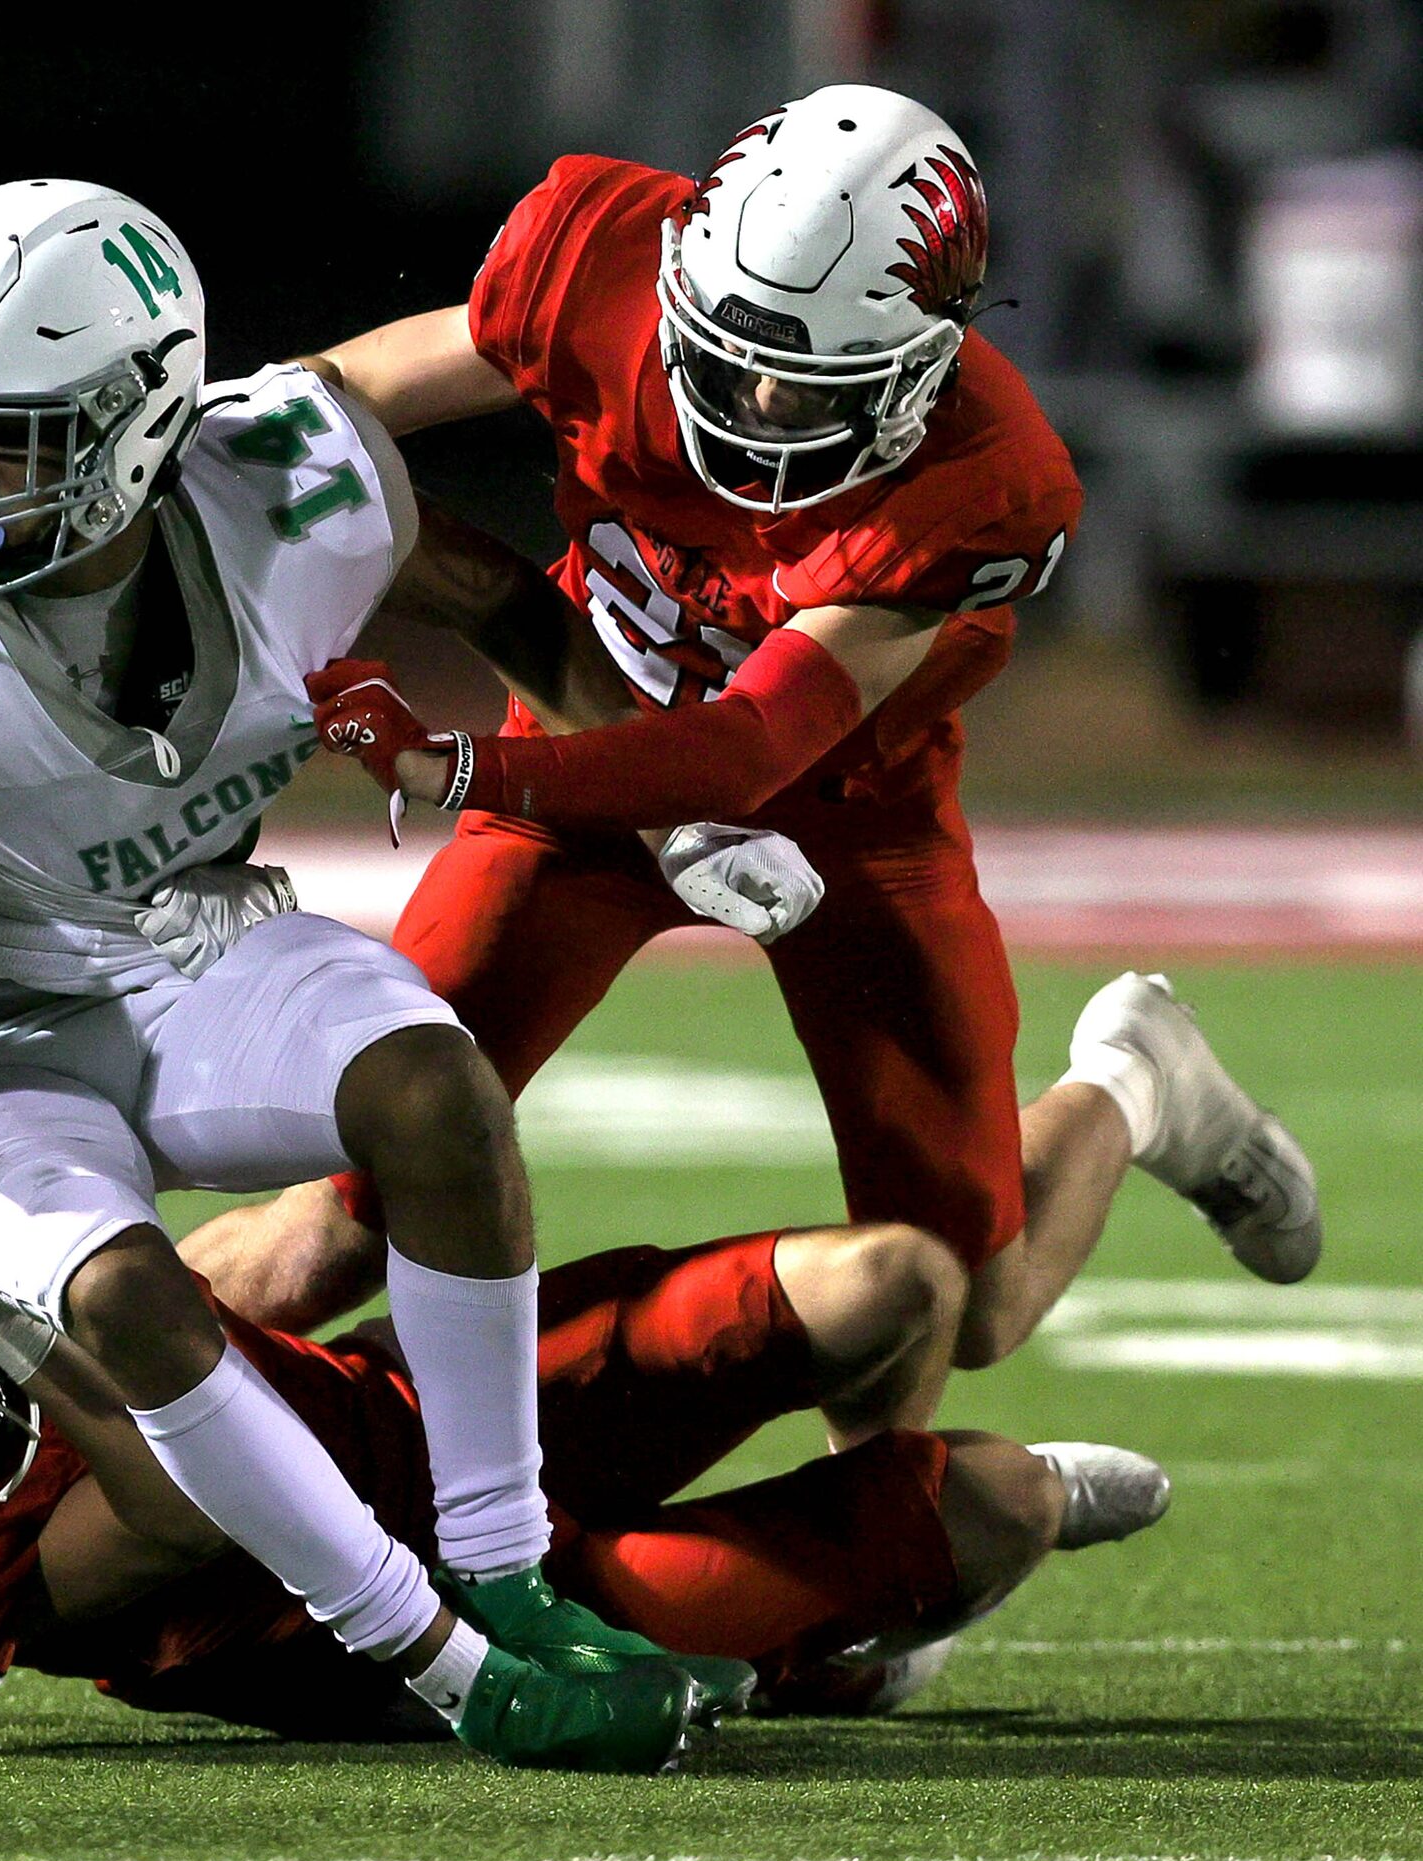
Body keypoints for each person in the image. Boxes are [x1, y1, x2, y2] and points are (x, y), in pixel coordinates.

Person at [0, 178, 800, 1773]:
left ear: (143, 420)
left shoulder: (294, 492)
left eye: (7, 438)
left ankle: (505, 1572)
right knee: (120, 1295)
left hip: (180, 960)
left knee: (433, 1089)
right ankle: (443, 1661)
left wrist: (661, 799)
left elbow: (509, 599)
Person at [183, 84, 1322, 1364]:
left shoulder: (982, 480)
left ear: (928, 357)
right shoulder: (590, 260)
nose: (760, 408)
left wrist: (459, 766)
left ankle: (1133, 1084)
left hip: (841, 820)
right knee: (344, 1219)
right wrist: (199, 450)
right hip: (578, 748)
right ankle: (19, 1411)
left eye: (809, 381)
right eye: (732, 360)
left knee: (959, 1302)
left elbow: (750, 749)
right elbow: (331, 405)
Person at [0, 1187, 1170, 1739]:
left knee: (893, 1277)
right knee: (998, 1498)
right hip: (447, 1613)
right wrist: (12, 1321)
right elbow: (177, 1497)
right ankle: (851, 1607)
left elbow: (217, 1274)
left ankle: (1131, 1077)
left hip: (437, 1406)